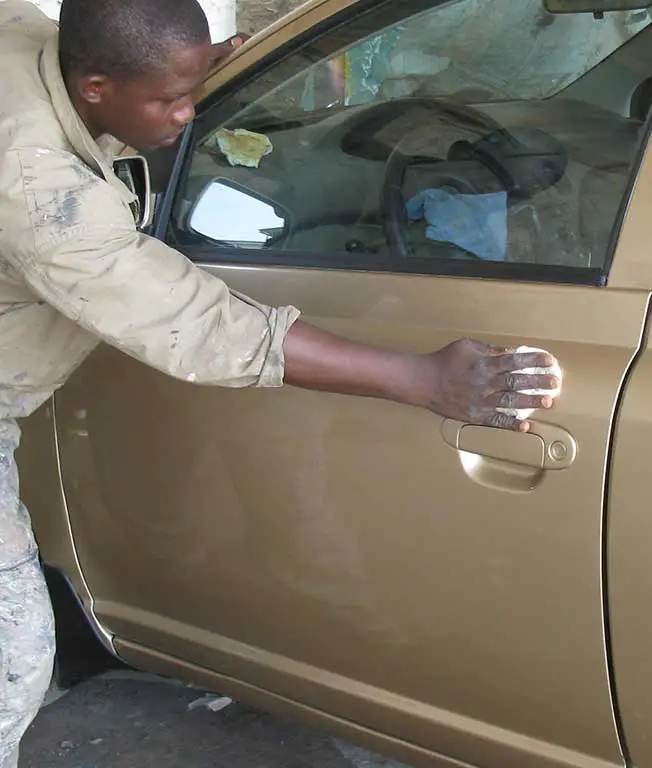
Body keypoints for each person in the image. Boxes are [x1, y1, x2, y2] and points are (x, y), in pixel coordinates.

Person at [0, 0, 560, 764]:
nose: (189, 113)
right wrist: (420, 376)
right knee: (13, 656)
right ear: (94, 86)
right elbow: (195, 319)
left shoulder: (26, 38)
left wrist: (203, 66)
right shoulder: (43, 196)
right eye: (170, 100)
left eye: (196, 87)